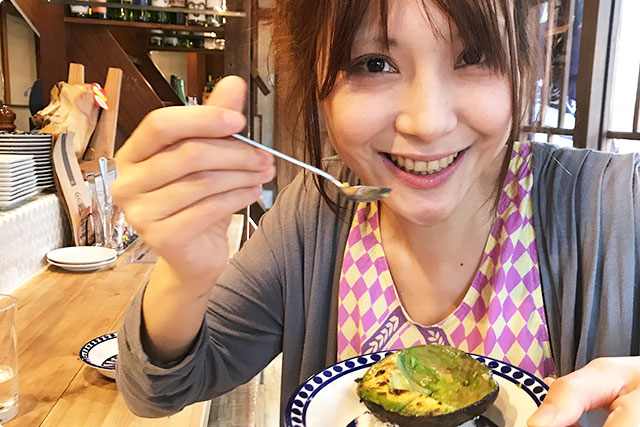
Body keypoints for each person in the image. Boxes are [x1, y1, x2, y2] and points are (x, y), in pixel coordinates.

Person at [112, 0, 640, 425]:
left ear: (523, 62)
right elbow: (159, 387)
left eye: (474, 55)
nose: (428, 123)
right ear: (316, 82)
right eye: (374, 64)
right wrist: (184, 275)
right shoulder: (314, 216)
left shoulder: (617, 205)